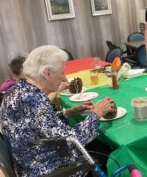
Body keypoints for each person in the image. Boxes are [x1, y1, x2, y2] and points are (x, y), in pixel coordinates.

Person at [0, 45, 115, 177]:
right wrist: (96, 113)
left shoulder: (16, 91)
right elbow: (72, 140)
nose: (65, 79)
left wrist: (69, 112)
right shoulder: (34, 100)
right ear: (47, 73)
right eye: (62, 72)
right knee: (107, 154)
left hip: (29, 160)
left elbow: (40, 124)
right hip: (49, 169)